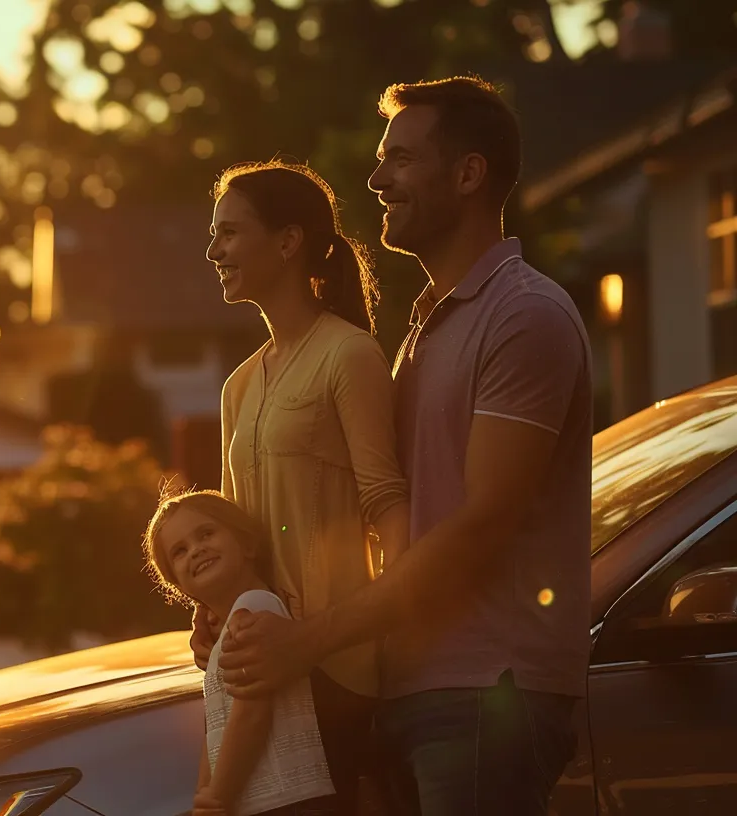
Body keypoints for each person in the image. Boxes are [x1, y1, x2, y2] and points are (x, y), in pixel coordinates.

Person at [213, 77, 594, 816]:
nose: (376, 178)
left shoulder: (524, 315)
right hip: (415, 684)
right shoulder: (423, 332)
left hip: (489, 690)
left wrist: (311, 639)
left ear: (468, 174)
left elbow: (480, 526)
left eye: (400, 159)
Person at [195, 159, 412, 815]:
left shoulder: (349, 355)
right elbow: (241, 536)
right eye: (214, 234)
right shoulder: (237, 385)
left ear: (288, 242)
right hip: (258, 666)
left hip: (335, 672)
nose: (213, 251)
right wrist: (208, 613)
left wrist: (391, 645)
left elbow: (388, 506)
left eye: (230, 233)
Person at [145, 489, 339, 816]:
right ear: (179, 585)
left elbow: (252, 715)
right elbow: (216, 730)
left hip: (289, 801)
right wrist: (204, 795)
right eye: (180, 551)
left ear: (247, 545)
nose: (196, 550)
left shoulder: (256, 610)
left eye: (206, 533)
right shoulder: (226, 633)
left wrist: (217, 796)